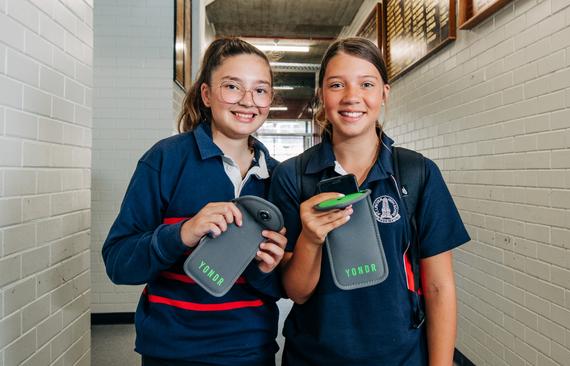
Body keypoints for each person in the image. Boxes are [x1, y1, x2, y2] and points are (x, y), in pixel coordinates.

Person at [268, 37, 470, 365]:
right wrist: (310, 237)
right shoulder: (294, 176)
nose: (352, 98)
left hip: (401, 356)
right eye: (337, 85)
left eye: (366, 84)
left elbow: (439, 287)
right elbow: (297, 292)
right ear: (321, 95)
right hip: (314, 356)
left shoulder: (417, 174)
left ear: (384, 93)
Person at [102, 38, 287, 366]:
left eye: (260, 90)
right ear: (206, 94)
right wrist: (183, 233)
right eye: (232, 86)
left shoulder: (278, 178)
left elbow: (280, 287)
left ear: (270, 99)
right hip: (172, 353)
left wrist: (268, 268)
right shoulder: (165, 160)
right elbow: (118, 262)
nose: (248, 101)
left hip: (251, 352)